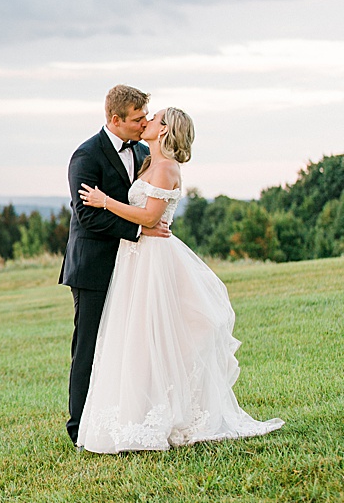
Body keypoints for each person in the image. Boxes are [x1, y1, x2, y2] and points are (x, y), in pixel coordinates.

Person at [74, 107, 283, 453]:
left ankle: (170, 414)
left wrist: (104, 201)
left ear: (165, 130)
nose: (147, 122)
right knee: (135, 338)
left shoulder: (168, 167)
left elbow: (150, 215)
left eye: (153, 119)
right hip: (135, 258)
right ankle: (136, 413)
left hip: (154, 260)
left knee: (155, 333)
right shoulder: (146, 162)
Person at [58, 85, 171, 445]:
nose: (143, 124)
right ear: (114, 119)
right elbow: (88, 218)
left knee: (128, 345)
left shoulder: (143, 151)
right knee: (89, 346)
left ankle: (125, 418)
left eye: (145, 118)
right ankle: (79, 429)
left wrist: (148, 223)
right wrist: (141, 229)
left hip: (133, 267)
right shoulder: (85, 156)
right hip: (93, 266)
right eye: (137, 119)